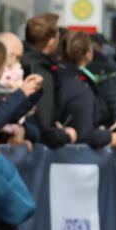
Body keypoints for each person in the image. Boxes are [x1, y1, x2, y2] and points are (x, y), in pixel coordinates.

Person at [56, 30, 116, 149]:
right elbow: (85, 133)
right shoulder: (80, 86)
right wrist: (109, 136)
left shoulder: (54, 75)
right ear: (88, 54)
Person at [21, 13, 74, 148]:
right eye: (57, 36)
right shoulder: (42, 72)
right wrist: (65, 136)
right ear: (51, 41)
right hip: (35, 149)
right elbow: (44, 126)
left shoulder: (19, 62)